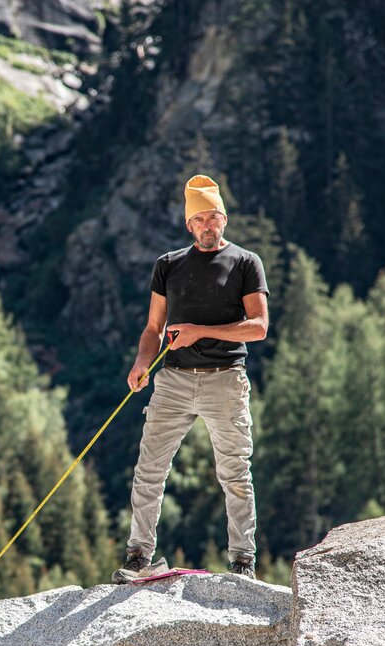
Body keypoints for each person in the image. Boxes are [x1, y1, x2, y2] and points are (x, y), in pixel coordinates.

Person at [117, 174, 269, 580]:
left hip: (225, 379)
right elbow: (153, 328)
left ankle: (242, 562)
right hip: (174, 380)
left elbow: (258, 326)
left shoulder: (245, 262)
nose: (207, 225)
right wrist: (141, 363)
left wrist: (201, 331)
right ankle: (138, 556)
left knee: (235, 473)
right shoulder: (168, 265)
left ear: (225, 219)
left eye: (213, 217)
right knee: (149, 469)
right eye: (199, 219)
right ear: (189, 225)